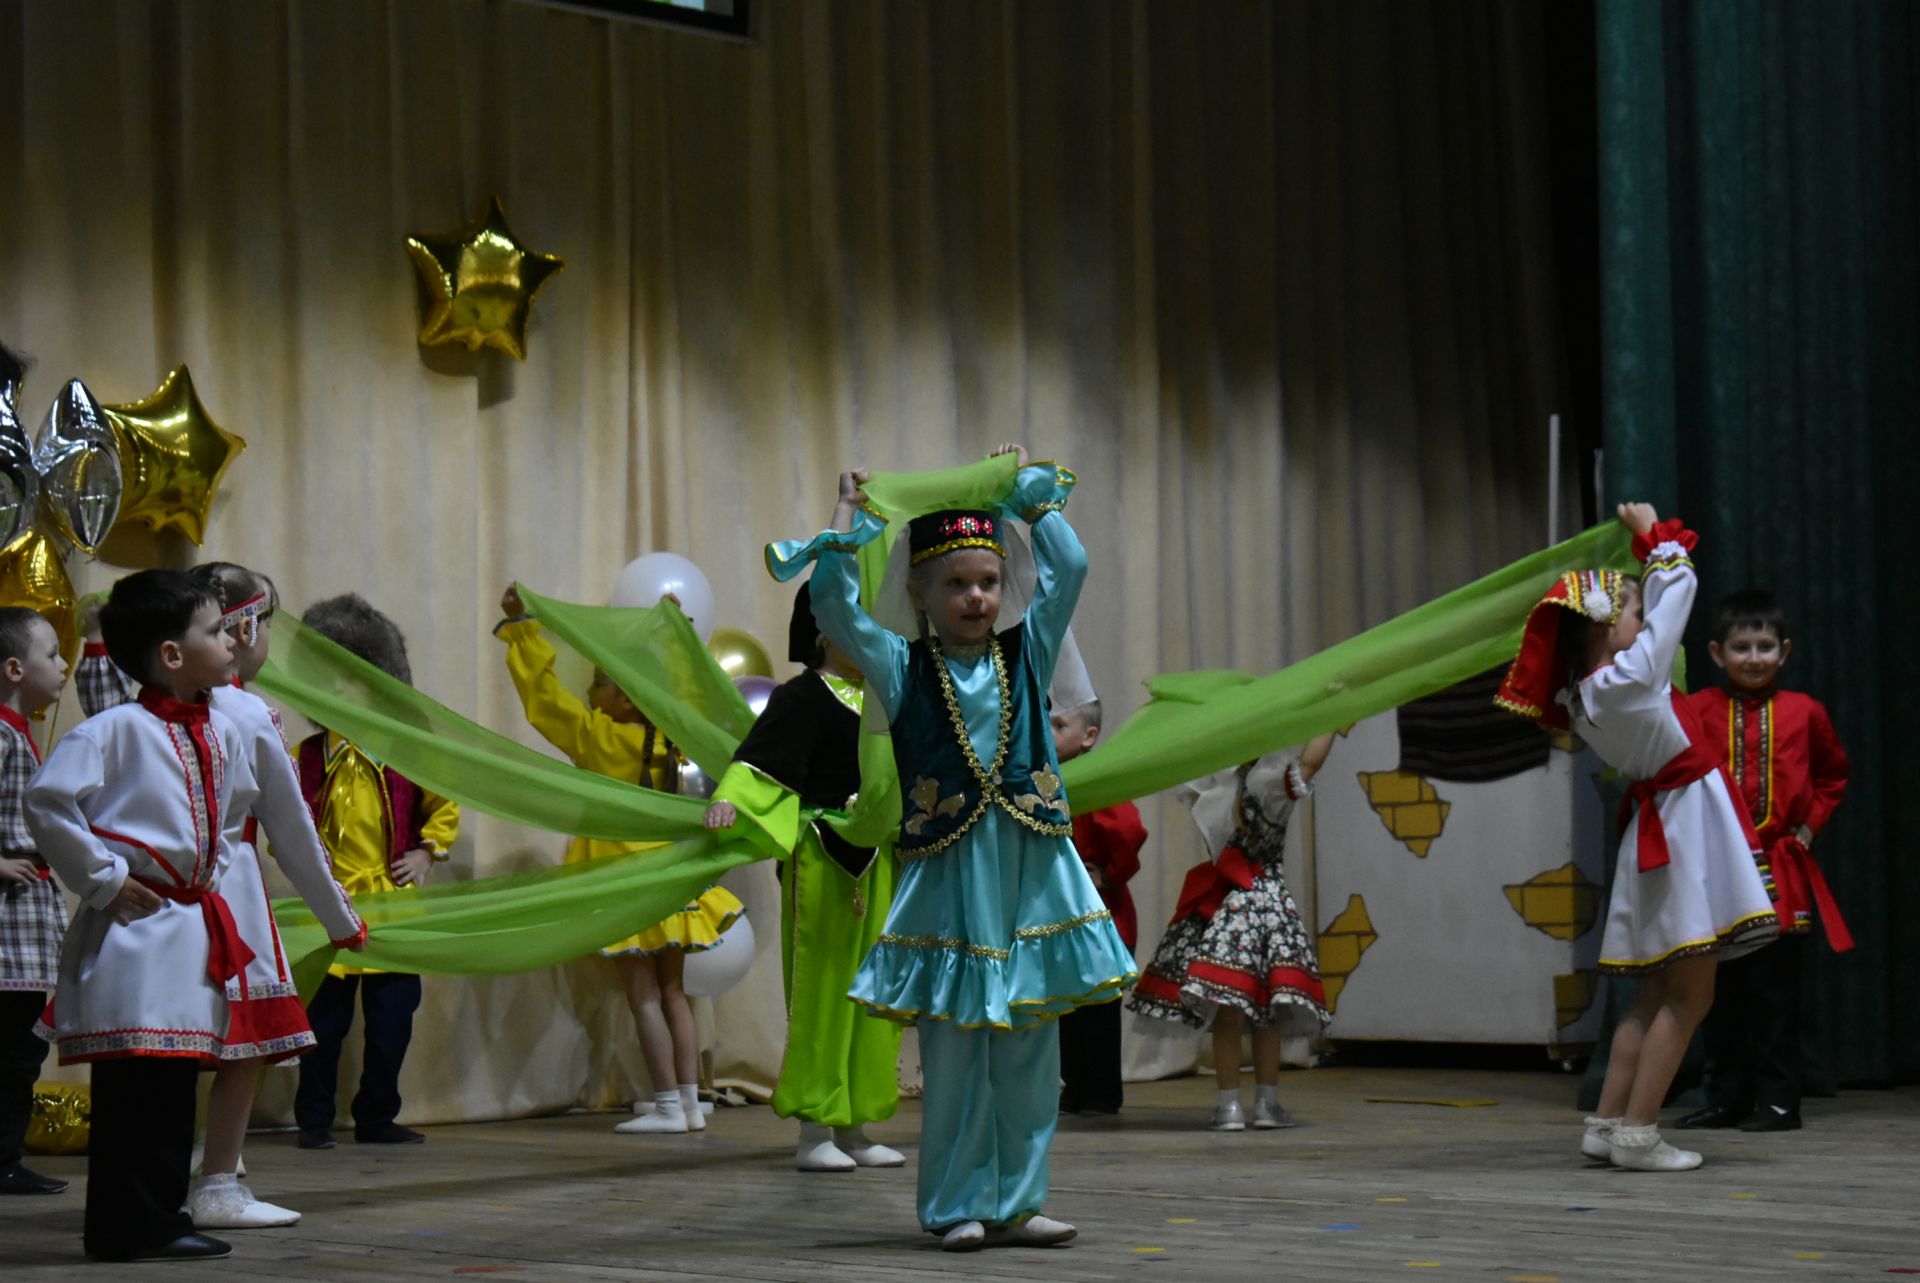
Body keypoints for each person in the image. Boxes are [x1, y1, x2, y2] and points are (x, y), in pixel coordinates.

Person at [783, 445, 1136, 1251]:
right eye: (955, 583)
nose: (975, 596)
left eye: (986, 581)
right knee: (956, 1053)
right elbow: (835, 604)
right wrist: (845, 517)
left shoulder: (1029, 650)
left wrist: (1030, 499)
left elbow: (1070, 565)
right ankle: (953, 1204)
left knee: (1026, 1045)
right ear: (920, 592)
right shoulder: (901, 666)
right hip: (949, 881)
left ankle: (1019, 1198)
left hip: (1029, 878)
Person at [26, 570, 365, 1261]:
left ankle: (157, 1217)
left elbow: (279, 823)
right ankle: (123, 1223)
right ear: (172, 654)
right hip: (136, 928)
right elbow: (48, 802)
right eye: (214, 630)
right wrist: (106, 877)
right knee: (135, 1081)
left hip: (192, 928)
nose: (232, 639)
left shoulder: (228, 728)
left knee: (174, 1079)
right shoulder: (116, 729)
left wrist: (330, 909)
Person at [1494, 503, 1777, 1172]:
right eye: (1628, 610)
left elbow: (1658, 607)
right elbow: (1678, 589)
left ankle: (1609, 1122)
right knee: (1690, 994)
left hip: (1662, 827)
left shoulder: (1585, 695)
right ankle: (1640, 1131)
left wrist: (1646, 560)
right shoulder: (1628, 678)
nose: (1642, 618)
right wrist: (1655, 540)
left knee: (1653, 993)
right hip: (1682, 828)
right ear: (1603, 627)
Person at [497, 586, 741, 1135]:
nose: (590, 687)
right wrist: (673, 637)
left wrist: (522, 630)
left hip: (626, 884)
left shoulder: (598, 737)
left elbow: (543, 700)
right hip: (672, 880)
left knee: (643, 996)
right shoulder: (672, 740)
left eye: (601, 681)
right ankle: (690, 1102)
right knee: (674, 992)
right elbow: (684, 690)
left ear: (625, 699)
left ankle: (668, 1105)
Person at [703, 583, 903, 1171]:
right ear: (822, 630)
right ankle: (816, 1130)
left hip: (879, 861)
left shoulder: (887, 698)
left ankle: (858, 1124)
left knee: (874, 993)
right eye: (850, 618)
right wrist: (731, 798)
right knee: (821, 989)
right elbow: (761, 758)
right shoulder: (802, 697)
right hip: (822, 855)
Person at [1679, 589, 1850, 1134]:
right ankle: (1727, 1097)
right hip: (1716, 870)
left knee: (1772, 994)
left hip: (1781, 871)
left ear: (1785, 651)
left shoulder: (1806, 712)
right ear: (1715, 652)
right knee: (1717, 992)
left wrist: (1809, 827)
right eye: (1741, 646)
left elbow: (1832, 776)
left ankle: (1779, 1102)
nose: (1753, 657)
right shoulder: (1699, 708)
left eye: (1765, 646)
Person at [293, 594, 458, 1149]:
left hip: (393, 912)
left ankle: (377, 1116)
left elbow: (447, 800)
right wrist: (306, 867)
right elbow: (283, 819)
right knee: (322, 1029)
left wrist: (428, 851)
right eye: (328, 677)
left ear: (379, 679)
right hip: (329, 914)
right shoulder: (305, 755)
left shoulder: (407, 751)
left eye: (351, 676)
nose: (339, 688)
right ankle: (313, 1120)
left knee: (392, 1026)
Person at [1127, 738, 1333, 1130]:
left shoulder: (1211, 787)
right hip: (1267, 901)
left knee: (1228, 1010)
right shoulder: (1271, 781)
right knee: (1266, 1010)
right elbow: (1309, 765)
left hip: (1224, 905)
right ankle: (1267, 1104)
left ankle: (1229, 1106)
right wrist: (1337, 723)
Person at [0, 608, 70, 1198]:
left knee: (21, 1049)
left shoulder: (20, 734)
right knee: (9, 1050)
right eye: (52, 654)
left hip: (25, 928)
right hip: (6, 926)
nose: (61, 664)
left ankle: (6, 1156)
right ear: (16, 668)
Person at [1049, 698, 1146, 1117]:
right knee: (1067, 1006)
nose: (1047, 733)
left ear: (1089, 737)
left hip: (1099, 916)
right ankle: (1076, 1086)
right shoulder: (1050, 777)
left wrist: (1109, 872)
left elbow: (1128, 828)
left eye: (1058, 725)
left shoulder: (1094, 780)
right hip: (1061, 914)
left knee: (1099, 1008)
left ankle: (1103, 1090)